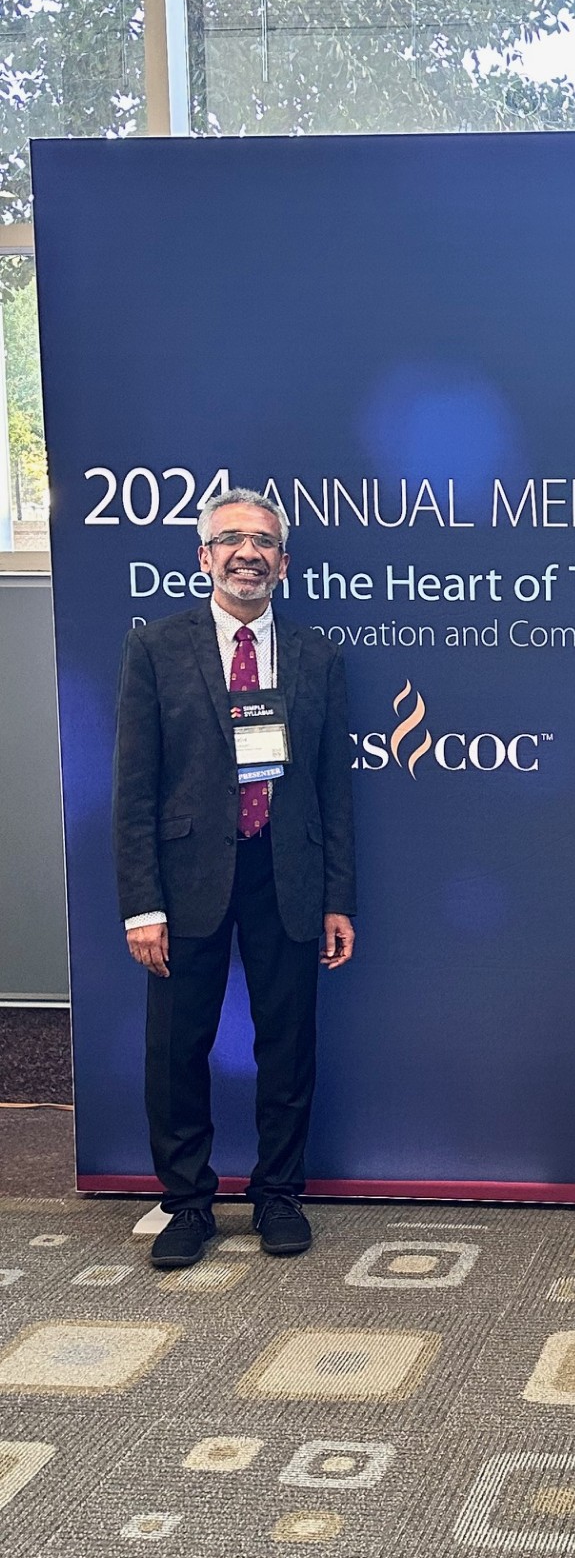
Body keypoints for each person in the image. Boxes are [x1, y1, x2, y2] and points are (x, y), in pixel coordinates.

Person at [114, 488, 356, 1269]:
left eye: (264, 542)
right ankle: (187, 1202)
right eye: (231, 540)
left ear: (283, 563)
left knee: (289, 1044)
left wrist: (336, 898)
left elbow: (331, 789)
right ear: (204, 556)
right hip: (187, 880)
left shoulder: (317, 655)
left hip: (285, 874)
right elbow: (135, 788)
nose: (248, 552)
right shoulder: (156, 647)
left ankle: (278, 1195)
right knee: (177, 1047)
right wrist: (140, 904)